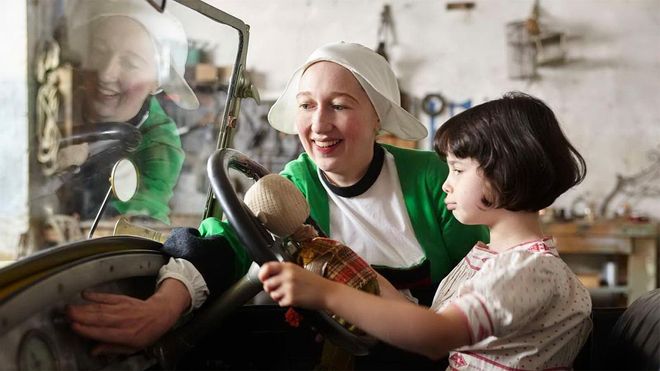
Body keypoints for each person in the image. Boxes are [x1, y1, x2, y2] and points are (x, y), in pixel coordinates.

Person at [67, 42, 487, 356]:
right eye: (306, 105)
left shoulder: (433, 178)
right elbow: (220, 240)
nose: (319, 124)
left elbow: (483, 280)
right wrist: (161, 307)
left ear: (378, 116)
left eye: (339, 105)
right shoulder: (292, 185)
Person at [259, 92, 592, 370]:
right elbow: (419, 318)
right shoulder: (489, 258)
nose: (446, 185)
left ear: (504, 174)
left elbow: (435, 337)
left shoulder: (529, 271)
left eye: (458, 170)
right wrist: (345, 264)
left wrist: (324, 294)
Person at [61, 0, 198, 223]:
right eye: (99, 51)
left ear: (156, 82)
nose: (105, 74)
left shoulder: (160, 144)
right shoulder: (56, 102)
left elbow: (139, 222)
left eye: (130, 63)